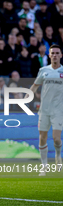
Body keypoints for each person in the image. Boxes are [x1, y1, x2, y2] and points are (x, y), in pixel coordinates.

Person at [26, 45, 63, 176]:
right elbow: (35, 85)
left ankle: (58, 156)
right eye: (52, 53)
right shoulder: (43, 70)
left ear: (61, 55)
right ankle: (44, 166)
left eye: (57, 53)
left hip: (59, 110)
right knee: (42, 138)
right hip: (44, 110)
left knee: (56, 139)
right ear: (49, 55)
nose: (54, 55)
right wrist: (27, 96)